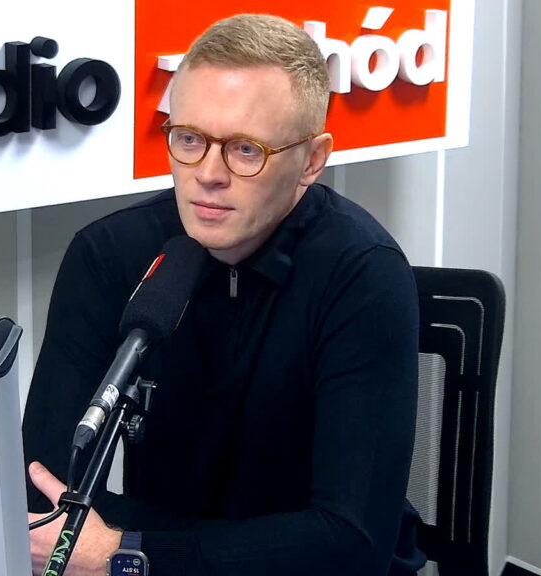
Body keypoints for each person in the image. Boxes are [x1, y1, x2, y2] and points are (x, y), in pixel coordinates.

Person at [22, 14, 424, 576]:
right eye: (189, 139)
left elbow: (350, 544)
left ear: (312, 161)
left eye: (245, 149)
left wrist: (129, 552)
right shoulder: (108, 256)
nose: (207, 174)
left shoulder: (362, 274)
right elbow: (45, 494)